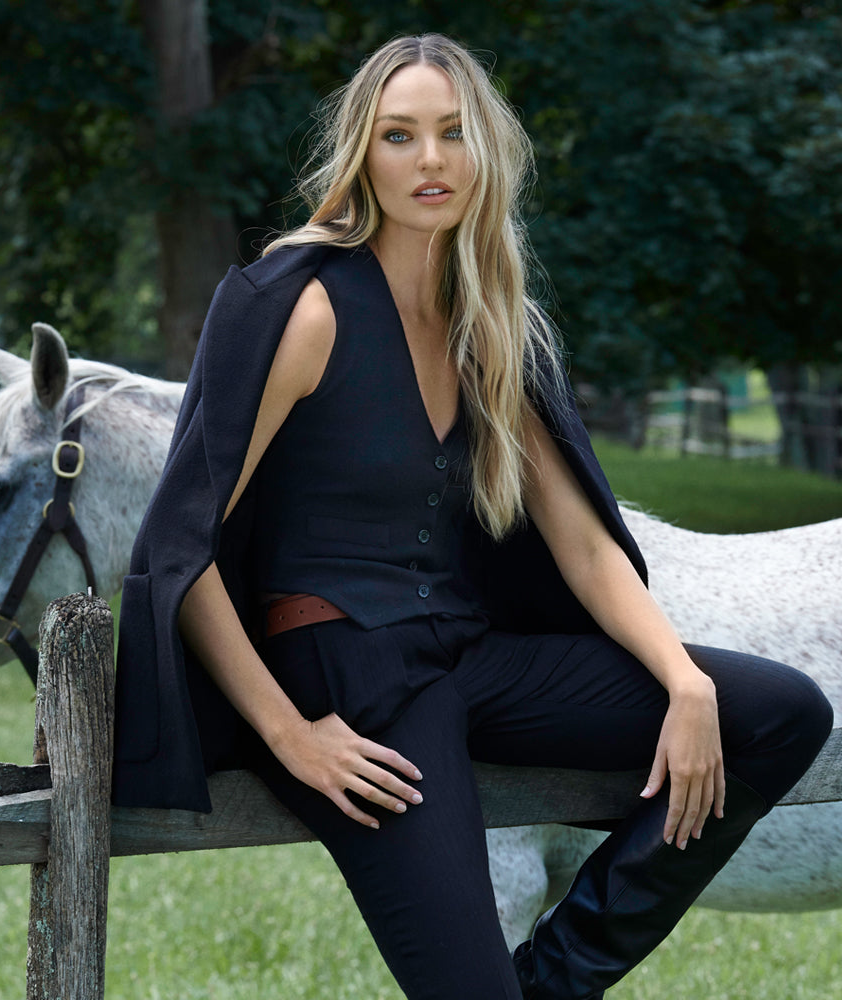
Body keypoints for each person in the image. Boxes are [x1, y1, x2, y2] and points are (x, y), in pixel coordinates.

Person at [112, 33, 833, 999]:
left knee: (781, 713)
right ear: (362, 153)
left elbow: (583, 546)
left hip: (466, 653)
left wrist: (685, 681)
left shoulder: (488, 321)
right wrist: (292, 735)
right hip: (352, 679)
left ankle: (556, 979)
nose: (432, 159)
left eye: (453, 133)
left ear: (487, 149)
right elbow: (179, 552)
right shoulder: (300, 304)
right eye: (399, 135)